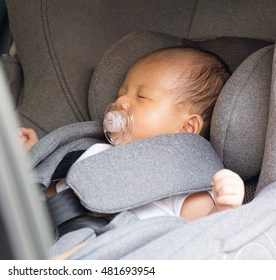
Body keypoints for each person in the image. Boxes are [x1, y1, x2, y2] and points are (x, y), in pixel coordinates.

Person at [20, 46, 245, 222]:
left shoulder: (184, 180)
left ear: (186, 128)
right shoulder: (91, 150)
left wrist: (222, 210)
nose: (120, 101)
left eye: (142, 97)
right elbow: (45, 196)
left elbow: (199, 239)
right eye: (121, 92)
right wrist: (35, 157)